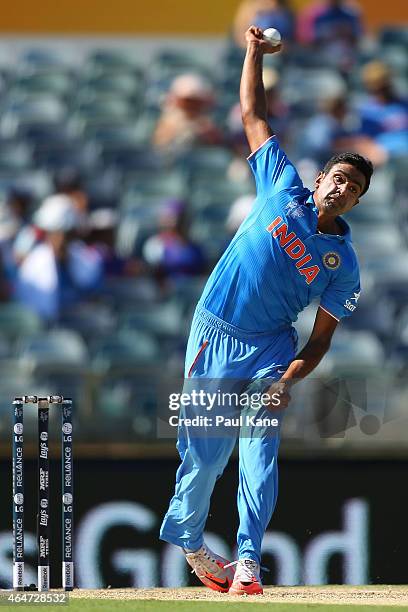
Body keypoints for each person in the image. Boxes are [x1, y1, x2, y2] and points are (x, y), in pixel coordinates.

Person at [159, 26, 373, 596]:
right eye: (338, 177)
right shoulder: (281, 183)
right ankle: (192, 541)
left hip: (271, 349)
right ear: (320, 177)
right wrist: (253, 51)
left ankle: (249, 561)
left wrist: (287, 378)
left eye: (353, 186)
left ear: (356, 200)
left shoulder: (342, 263)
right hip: (214, 330)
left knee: (258, 455)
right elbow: (252, 112)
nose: (342, 187)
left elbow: (321, 340)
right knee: (204, 461)